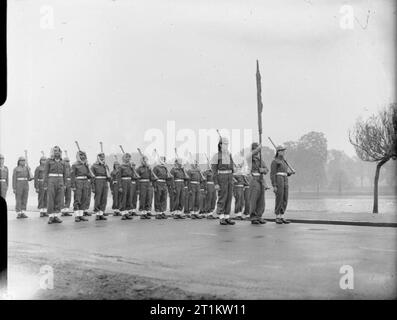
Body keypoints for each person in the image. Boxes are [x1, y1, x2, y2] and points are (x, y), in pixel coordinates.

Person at [210, 136, 236, 225]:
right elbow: (214, 172)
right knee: (222, 197)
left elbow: (232, 167)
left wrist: (233, 171)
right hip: (222, 177)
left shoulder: (229, 154)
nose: (226, 145)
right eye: (225, 144)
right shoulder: (216, 156)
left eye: (227, 144)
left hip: (229, 177)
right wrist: (216, 183)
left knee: (229, 197)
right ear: (220, 145)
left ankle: (227, 217)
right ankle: (221, 217)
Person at [246, 142, 269, 224]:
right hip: (254, 179)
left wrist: (263, 170)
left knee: (261, 200)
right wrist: (257, 149)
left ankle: (259, 216)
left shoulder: (260, 160)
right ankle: (253, 217)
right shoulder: (250, 159)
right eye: (255, 149)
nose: (257, 152)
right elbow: (248, 156)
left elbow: (266, 169)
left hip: (261, 179)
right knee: (254, 198)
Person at [270, 145, 293, 224]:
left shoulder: (284, 161)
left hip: (285, 179)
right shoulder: (275, 161)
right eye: (282, 150)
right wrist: (274, 185)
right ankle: (277, 216)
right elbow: (272, 174)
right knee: (279, 197)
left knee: (285, 198)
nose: (283, 152)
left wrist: (289, 173)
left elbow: (285, 172)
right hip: (278, 179)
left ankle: (282, 216)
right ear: (278, 152)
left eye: (284, 150)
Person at [43, 146, 67, 224]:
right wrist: (45, 184)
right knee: (51, 198)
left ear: (60, 152)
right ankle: (50, 216)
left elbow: (65, 174)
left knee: (58, 199)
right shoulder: (48, 161)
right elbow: (45, 173)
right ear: (52, 152)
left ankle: (56, 216)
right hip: (51, 180)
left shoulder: (62, 162)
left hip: (60, 180)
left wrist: (65, 184)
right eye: (55, 151)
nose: (57, 152)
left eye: (58, 151)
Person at [71, 150, 92, 222]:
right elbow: (72, 176)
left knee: (84, 198)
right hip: (78, 182)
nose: (82, 157)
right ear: (78, 156)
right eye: (81, 155)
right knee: (78, 198)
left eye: (83, 155)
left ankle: (81, 215)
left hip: (85, 182)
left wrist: (88, 167)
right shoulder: (74, 165)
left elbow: (89, 176)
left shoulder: (86, 165)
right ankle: (77, 215)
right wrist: (73, 185)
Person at [91, 152, 110, 221]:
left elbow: (109, 176)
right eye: (101, 157)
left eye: (103, 157)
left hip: (104, 182)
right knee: (98, 198)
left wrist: (106, 167)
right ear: (98, 157)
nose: (102, 158)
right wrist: (93, 187)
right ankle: (97, 214)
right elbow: (92, 177)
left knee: (104, 198)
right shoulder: (94, 166)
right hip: (97, 182)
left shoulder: (105, 166)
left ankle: (101, 213)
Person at [118, 153, 135, 220]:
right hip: (123, 182)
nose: (128, 158)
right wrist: (120, 186)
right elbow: (118, 177)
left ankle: (127, 212)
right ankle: (123, 213)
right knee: (123, 198)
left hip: (129, 182)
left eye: (129, 157)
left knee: (129, 197)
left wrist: (132, 168)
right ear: (123, 158)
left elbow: (132, 175)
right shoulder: (121, 166)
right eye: (126, 157)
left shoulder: (130, 166)